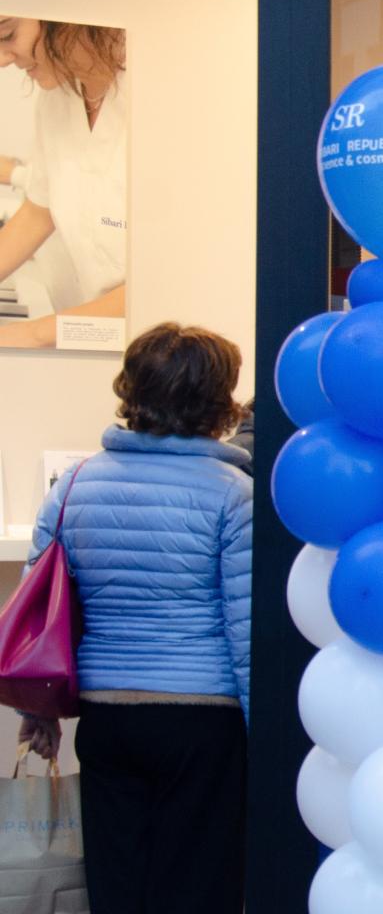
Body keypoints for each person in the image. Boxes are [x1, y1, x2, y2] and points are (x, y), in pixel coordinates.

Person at [20, 323, 250, 912]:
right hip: (203, 723)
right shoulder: (232, 493)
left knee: (116, 884)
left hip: (108, 717)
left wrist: (37, 710)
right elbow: (244, 628)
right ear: (218, 399)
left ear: (132, 388)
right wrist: (263, 731)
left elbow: (35, 611)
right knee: (198, 887)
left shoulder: (73, 484)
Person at [0, 17, 128, 348]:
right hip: (106, 345)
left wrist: (30, 334)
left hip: (178, 360)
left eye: (8, 35)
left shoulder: (158, 93)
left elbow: (168, 278)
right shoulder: (58, 100)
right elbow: (37, 212)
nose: (3, 59)